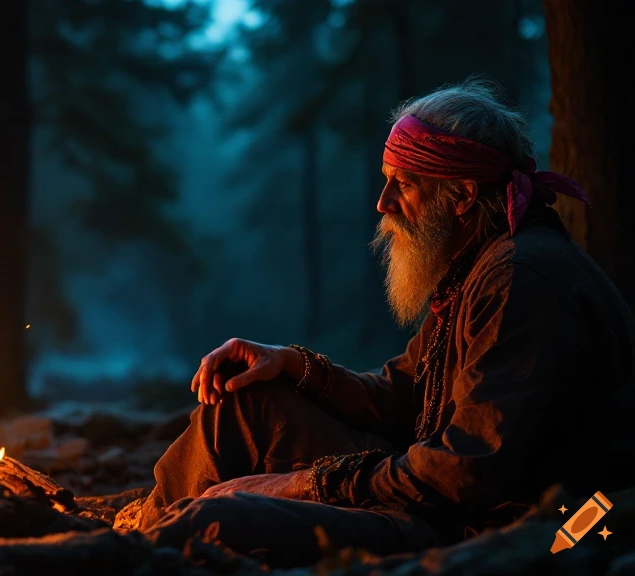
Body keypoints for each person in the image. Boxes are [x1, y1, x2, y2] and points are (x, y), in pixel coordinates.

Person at [135, 78, 635, 568]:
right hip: (435, 497)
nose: (383, 202)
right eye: (386, 179)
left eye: (404, 183)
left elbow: (464, 472)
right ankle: (142, 529)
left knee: (216, 523)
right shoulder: (478, 265)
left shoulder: (517, 279)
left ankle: (130, 550)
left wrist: (302, 483)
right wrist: (289, 364)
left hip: (487, 527)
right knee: (244, 407)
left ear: (461, 196)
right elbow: (398, 399)